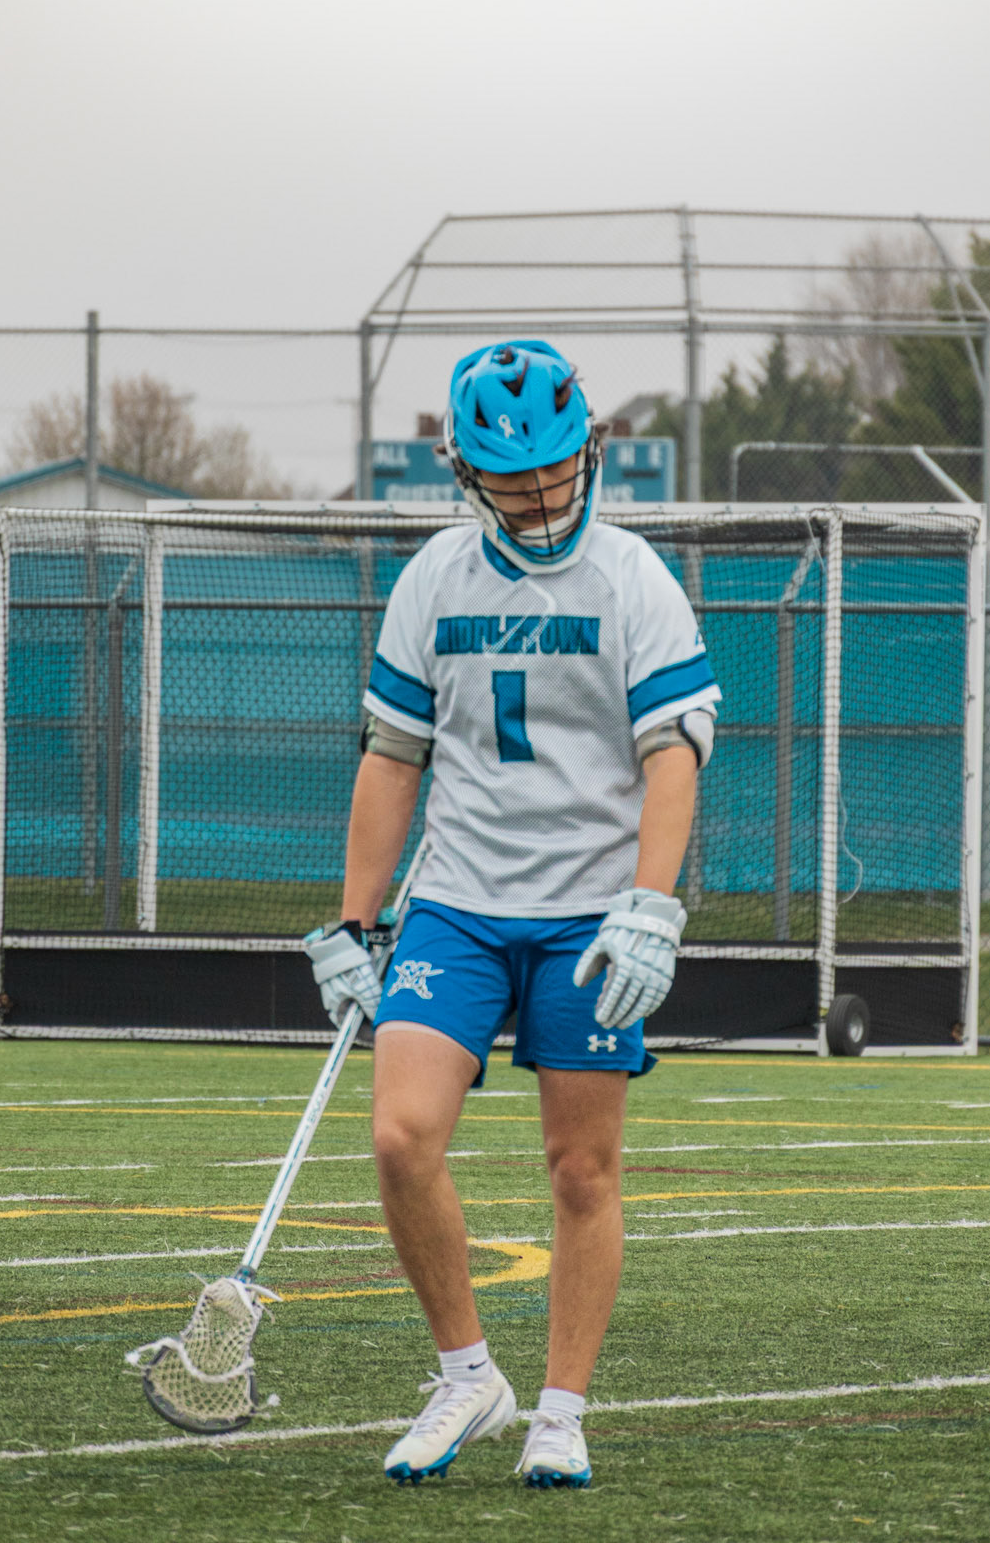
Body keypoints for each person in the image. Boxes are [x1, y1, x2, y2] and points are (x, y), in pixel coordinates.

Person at [305, 339, 719, 1489]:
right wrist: (353, 922)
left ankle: (561, 1410)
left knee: (581, 1168)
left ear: (589, 448)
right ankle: (466, 1375)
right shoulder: (434, 578)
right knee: (401, 1136)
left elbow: (673, 753)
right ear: (465, 473)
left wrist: (651, 905)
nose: (536, 494)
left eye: (552, 468)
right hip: (457, 904)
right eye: (509, 476)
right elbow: (393, 756)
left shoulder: (633, 576)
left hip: (590, 917)